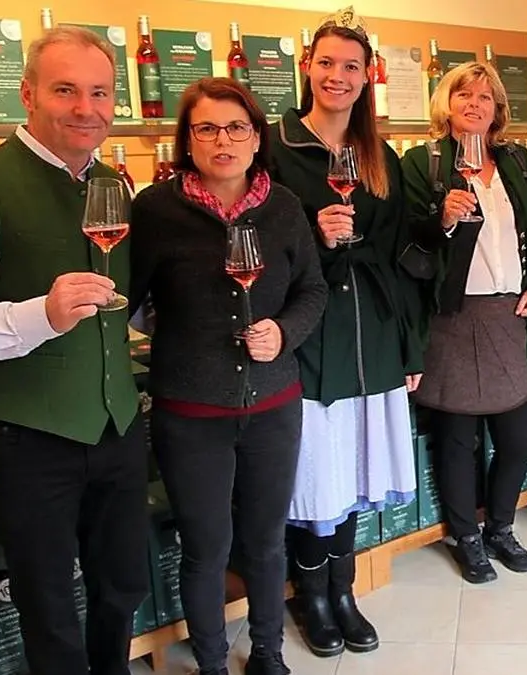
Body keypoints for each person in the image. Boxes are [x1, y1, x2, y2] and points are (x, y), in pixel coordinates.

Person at [0, 27, 147, 675]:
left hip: (118, 427)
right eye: (65, 90)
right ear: (27, 94)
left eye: (100, 92)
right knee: (48, 607)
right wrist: (39, 314)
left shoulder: (112, 184)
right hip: (27, 439)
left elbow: (128, 298)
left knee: (123, 585)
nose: (86, 108)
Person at [128, 78, 327, 675]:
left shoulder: (284, 207)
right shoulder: (154, 210)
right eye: (207, 128)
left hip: (273, 407)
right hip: (190, 413)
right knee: (206, 548)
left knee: (265, 542)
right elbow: (126, 300)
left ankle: (268, 652)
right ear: (187, 140)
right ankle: (212, 663)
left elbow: (312, 291)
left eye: (237, 127)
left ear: (257, 136)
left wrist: (283, 332)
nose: (223, 140)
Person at [267, 9, 422, 658]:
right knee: (316, 477)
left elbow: (403, 258)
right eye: (327, 62)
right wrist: (314, 235)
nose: (338, 75)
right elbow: (253, 246)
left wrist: (410, 346)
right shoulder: (272, 148)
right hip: (310, 338)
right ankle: (312, 596)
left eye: (352, 66)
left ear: (367, 77)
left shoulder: (381, 157)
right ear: (307, 67)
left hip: (373, 339)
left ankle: (344, 590)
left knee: (354, 474)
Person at [401, 62, 527, 584]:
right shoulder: (422, 161)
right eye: (463, 94)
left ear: (497, 110)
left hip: (512, 315)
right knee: (457, 443)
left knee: (515, 438)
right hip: (451, 317)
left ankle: (501, 528)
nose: (474, 103)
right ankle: (466, 536)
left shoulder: (517, 160)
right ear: (446, 105)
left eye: (485, 97)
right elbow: (406, 240)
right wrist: (441, 219)